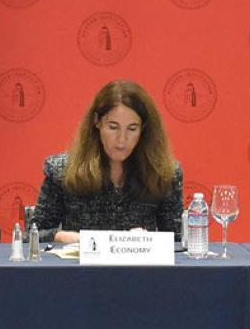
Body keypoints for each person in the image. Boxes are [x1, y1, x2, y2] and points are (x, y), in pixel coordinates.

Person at [32, 80, 184, 244]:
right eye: (113, 127)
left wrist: (149, 239)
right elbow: (31, 236)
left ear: (143, 129)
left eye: (132, 129)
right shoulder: (61, 170)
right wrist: (61, 236)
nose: (122, 139)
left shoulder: (163, 173)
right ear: (97, 122)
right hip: (79, 268)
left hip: (139, 268)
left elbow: (177, 242)